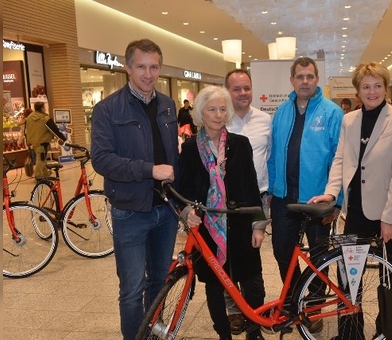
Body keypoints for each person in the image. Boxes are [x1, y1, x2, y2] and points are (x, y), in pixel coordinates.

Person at [309, 62, 392, 340]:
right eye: (366, 86)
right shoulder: (350, 120)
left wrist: (389, 219)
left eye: (377, 85)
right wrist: (332, 192)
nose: (372, 92)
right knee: (349, 275)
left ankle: (387, 330)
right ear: (358, 91)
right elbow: (341, 160)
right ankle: (350, 333)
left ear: (385, 87)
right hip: (356, 210)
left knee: (391, 275)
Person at [90, 39, 179, 340]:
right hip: (130, 211)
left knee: (159, 282)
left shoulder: (168, 105)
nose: (148, 74)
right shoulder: (107, 109)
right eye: (141, 66)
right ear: (127, 67)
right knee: (131, 289)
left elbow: (173, 157)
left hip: (165, 210)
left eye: (154, 67)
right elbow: (102, 160)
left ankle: (153, 335)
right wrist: (148, 170)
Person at [179, 85, 267, 340]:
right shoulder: (190, 148)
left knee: (252, 283)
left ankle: (254, 331)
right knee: (215, 287)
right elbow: (183, 189)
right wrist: (186, 210)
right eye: (211, 109)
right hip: (207, 229)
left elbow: (252, 187)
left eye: (222, 109)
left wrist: (258, 225)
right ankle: (223, 334)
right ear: (200, 113)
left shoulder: (241, 144)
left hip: (240, 224)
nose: (218, 114)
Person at [267, 57, 343, 333]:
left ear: (317, 78)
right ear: (292, 81)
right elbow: (274, 155)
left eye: (310, 76)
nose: (305, 81)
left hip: (318, 201)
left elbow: (340, 160)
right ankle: (292, 300)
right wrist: (274, 191)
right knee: (282, 252)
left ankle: (314, 305)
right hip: (284, 198)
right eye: (300, 77)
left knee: (319, 257)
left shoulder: (332, 113)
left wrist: (338, 201)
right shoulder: (282, 113)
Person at [223, 69, 271, 335]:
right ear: (227, 91)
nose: (243, 93)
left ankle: (255, 310)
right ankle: (233, 311)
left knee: (252, 257)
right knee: (227, 258)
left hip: (258, 199)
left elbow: (271, 158)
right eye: (237, 89)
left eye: (247, 88)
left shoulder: (265, 120)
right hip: (226, 203)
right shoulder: (219, 120)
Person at [25, 101, 66, 178]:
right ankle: (38, 176)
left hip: (34, 142)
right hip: (42, 142)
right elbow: (54, 130)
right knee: (40, 159)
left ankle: (45, 173)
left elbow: (27, 130)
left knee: (42, 158)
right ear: (41, 108)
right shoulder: (45, 118)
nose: (45, 109)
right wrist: (62, 138)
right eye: (44, 107)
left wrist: (28, 141)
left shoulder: (29, 117)